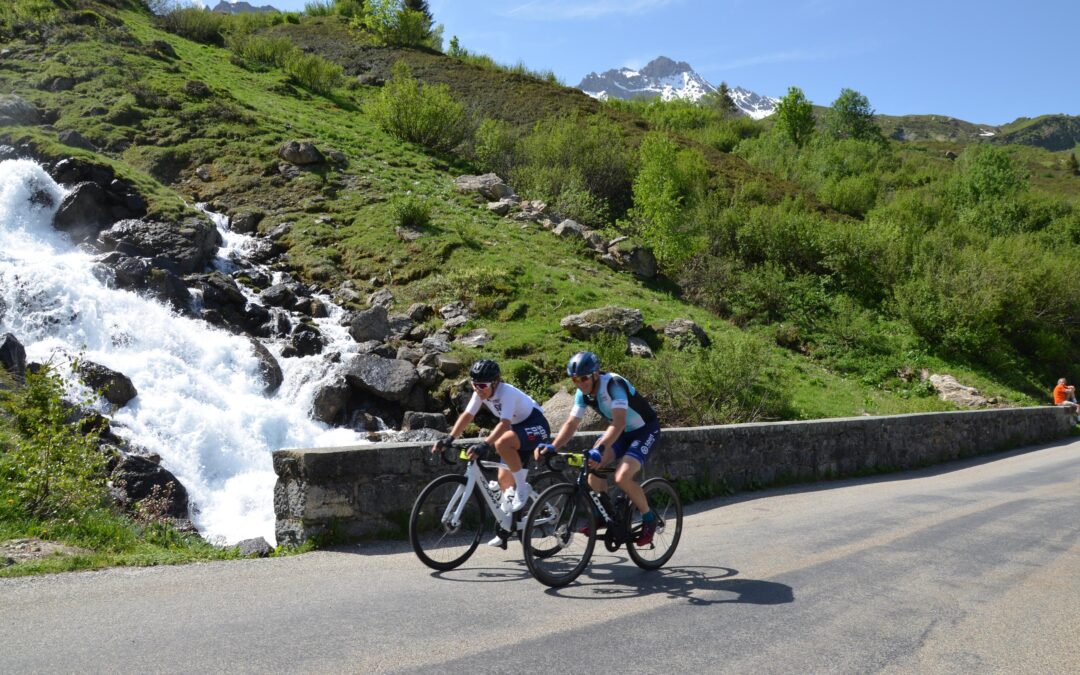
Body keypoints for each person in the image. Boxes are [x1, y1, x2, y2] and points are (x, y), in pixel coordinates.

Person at [536, 351, 662, 546]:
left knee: (622, 477)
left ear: (595, 374)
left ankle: (649, 519)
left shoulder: (614, 385)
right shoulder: (582, 394)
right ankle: (603, 515)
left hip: (644, 430)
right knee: (591, 465)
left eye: (584, 378)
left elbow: (619, 422)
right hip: (621, 433)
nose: (580, 383)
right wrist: (553, 446)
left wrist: (601, 447)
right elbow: (571, 424)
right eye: (575, 379)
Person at [432, 359, 551, 544]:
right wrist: (449, 439)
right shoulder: (480, 392)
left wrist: (485, 444)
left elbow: (504, 423)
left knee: (501, 443)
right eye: (474, 384)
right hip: (516, 430)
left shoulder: (507, 392)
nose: (478, 389)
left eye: (482, 385)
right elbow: (467, 415)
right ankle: (507, 528)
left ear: (495, 383)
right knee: (504, 480)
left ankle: (522, 489)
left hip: (535, 425)